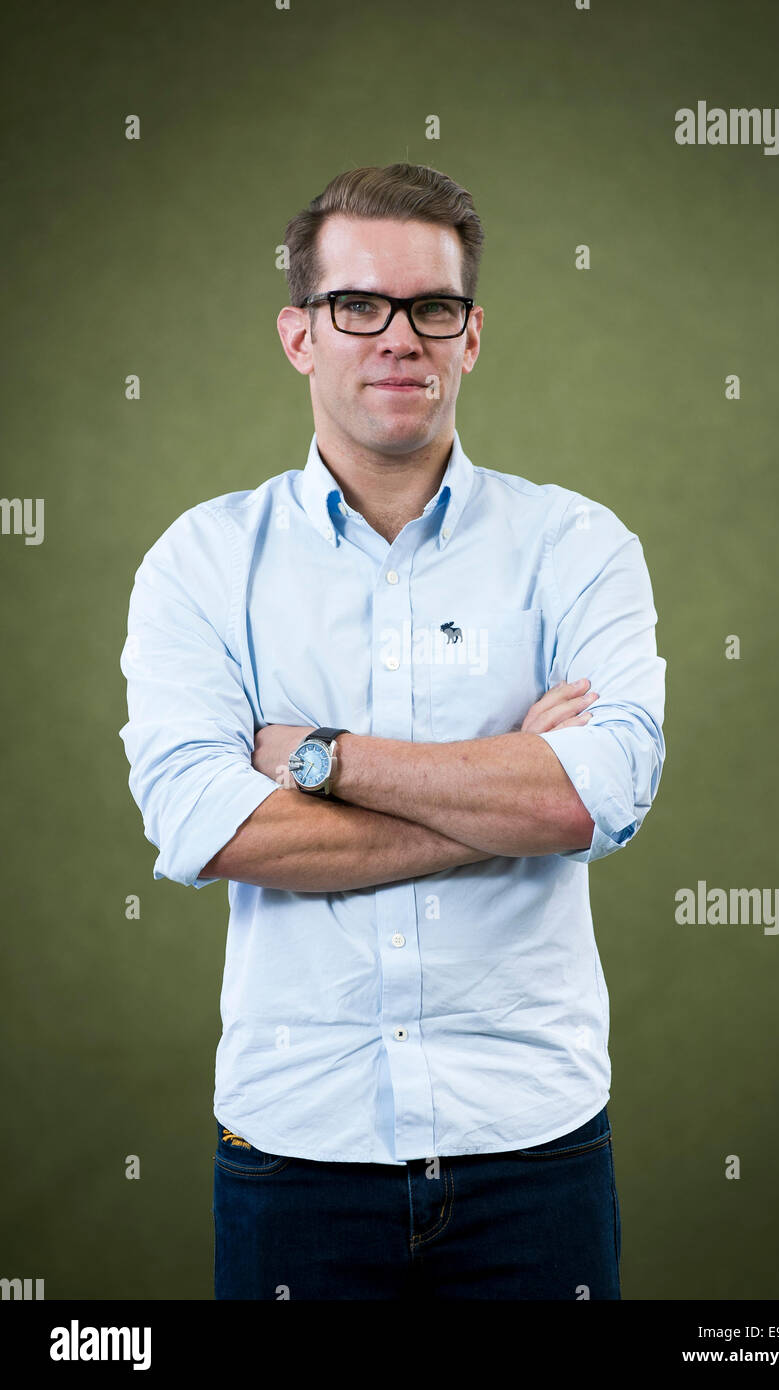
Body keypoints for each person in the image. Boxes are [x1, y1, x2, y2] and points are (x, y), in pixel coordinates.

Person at [118, 162, 666, 1300]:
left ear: (473, 336)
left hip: (537, 1154)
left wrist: (325, 760)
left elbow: (594, 795)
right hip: (293, 1156)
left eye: (433, 308)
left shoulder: (579, 547)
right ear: (298, 335)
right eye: (357, 306)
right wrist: (505, 796)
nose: (398, 337)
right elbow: (205, 829)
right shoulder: (201, 563)